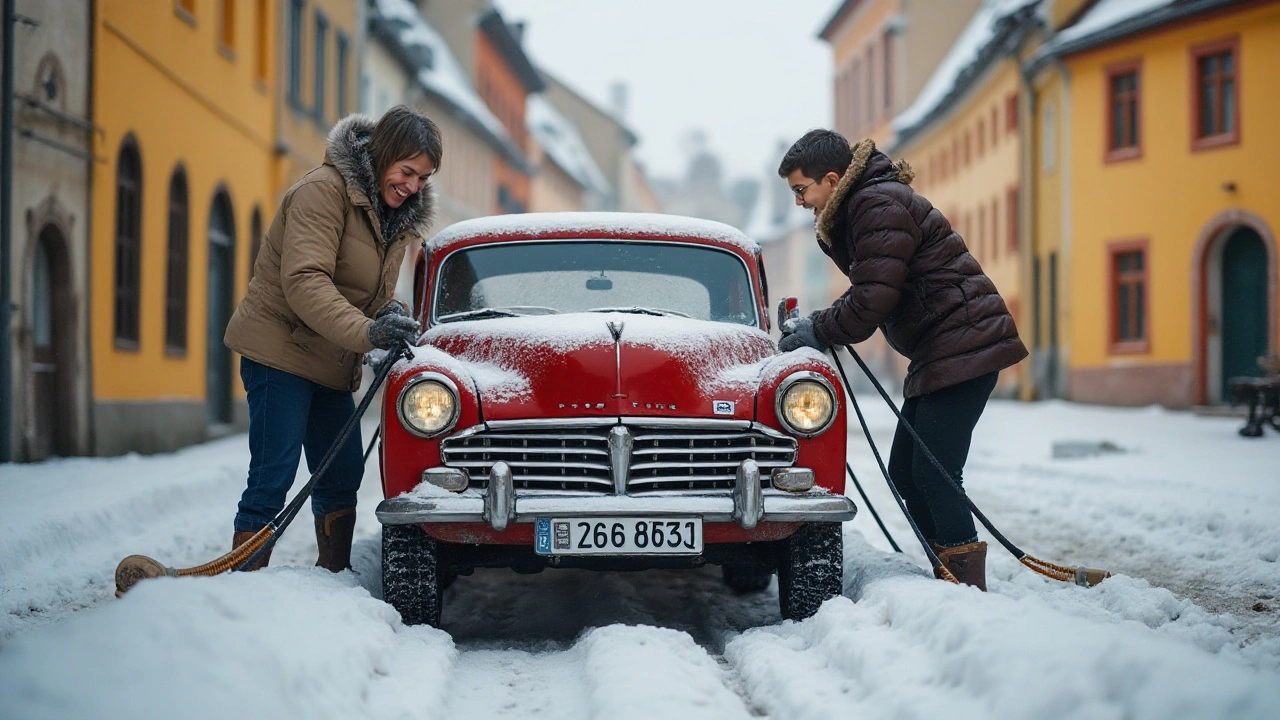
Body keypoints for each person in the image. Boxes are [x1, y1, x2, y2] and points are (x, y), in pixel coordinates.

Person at [776, 129, 1027, 590]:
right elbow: (873, 288)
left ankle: (966, 589)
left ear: (831, 179)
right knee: (907, 474)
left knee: (934, 472)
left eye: (801, 190)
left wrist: (819, 327)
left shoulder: (877, 206)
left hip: (964, 346)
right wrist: (821, 322)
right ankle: (946, 573)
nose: (799, 203)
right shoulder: (865, 205)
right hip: (946, 348)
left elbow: (872, 298)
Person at [223, 106, 440, 572]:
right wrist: (367, 331)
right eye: (407, 171)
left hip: (331, 359)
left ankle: (333, 583)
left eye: (423, 178)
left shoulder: (393, 215)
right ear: (382, 156)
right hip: (279, 352)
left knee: (342, 474)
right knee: (273, 476)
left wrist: (388, 314)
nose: (414, 186)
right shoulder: (322, 192)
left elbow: (364, 292)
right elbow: (306, 280)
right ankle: (242, 586)